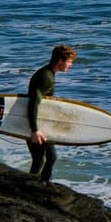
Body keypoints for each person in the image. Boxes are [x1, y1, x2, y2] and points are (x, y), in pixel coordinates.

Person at [21, 44, 77, 182]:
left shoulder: (48, 73)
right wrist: (35, 130)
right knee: (45, 158)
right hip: (36, 124)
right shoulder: (45, 77)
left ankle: (39, 185)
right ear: (60, 61)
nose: (70, 65)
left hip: (38, 122)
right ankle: (37, 186)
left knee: (42, 158)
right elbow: (33, 102)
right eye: (69, 62)